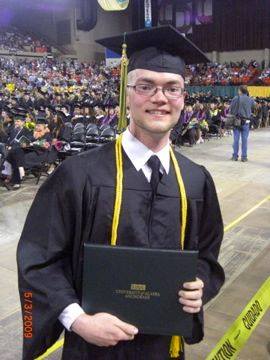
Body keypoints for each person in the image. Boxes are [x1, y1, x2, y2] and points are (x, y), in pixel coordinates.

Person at [17, 26, 225, 360]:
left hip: (165, 348)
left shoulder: (196, 180)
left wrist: (199, 286)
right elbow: (38, 260)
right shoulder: (77, 174)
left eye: (172, 88)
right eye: (146, 86)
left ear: (184, 98)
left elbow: (206, 258)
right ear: (127, 94)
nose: (160, 98)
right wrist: (77, 319)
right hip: (92, 349)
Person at [229, 85, 255, 161]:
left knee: (236, 140)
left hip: (236, 122)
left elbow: (231, 110)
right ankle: (244, 157)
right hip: (246, 122)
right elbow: (254, 108)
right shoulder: (250, 99)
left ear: (240, 91)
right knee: (244, 140)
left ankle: (235, 156)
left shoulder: (235, 98)